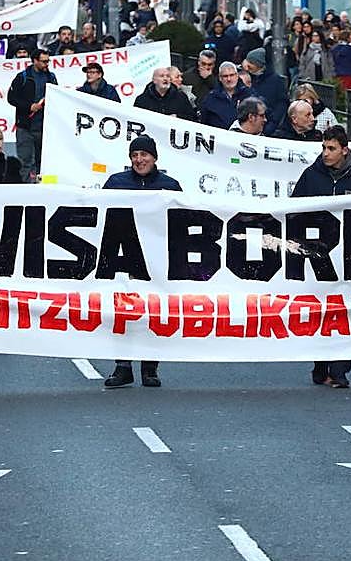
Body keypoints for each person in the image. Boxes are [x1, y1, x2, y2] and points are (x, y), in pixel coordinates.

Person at [292, 126, 351, 388]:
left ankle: (339, 371)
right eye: (323, 148)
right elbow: (293, 211)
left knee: (344, 312)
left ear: (344, 150)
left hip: (349, 258)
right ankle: (320, 365)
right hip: (319, 259)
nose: (326, 154)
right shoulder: (310, 177)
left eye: (331, 149)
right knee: (320, 312)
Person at [101, 135, 181, 389]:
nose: (139, 160)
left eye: (144, 155)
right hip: (123, 259)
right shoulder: (115, 183)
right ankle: (122, 366)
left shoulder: (170, 186)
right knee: (121, 312)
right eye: (134, 155)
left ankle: (149, 367)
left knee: (153, 312)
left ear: (154, 157)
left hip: (157, 260)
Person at [7, 48, 55, 182]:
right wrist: (29, 106)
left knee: (43, 163)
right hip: (25, 127)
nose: (47, 64)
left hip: (44, 128)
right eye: (44, 62)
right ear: (35, 61)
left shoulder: (51, 77)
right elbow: (11, 98)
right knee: (26, 162)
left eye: (48, 61)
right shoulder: (22, 77)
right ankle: (26, 190)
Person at [242, 48, 286, 135]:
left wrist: (272, 124)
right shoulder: (247, 77)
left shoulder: (276, 81)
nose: (247, 65)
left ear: (258, 64)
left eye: (250, 62)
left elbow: (282, 104)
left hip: (268, 126)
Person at [200, 62, 253, 129]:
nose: (229, 79)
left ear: (237, 75)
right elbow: (203, 124)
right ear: (220, 78)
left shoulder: (249, 94)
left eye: (232, 75)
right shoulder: (211, 98)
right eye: (225, 76)